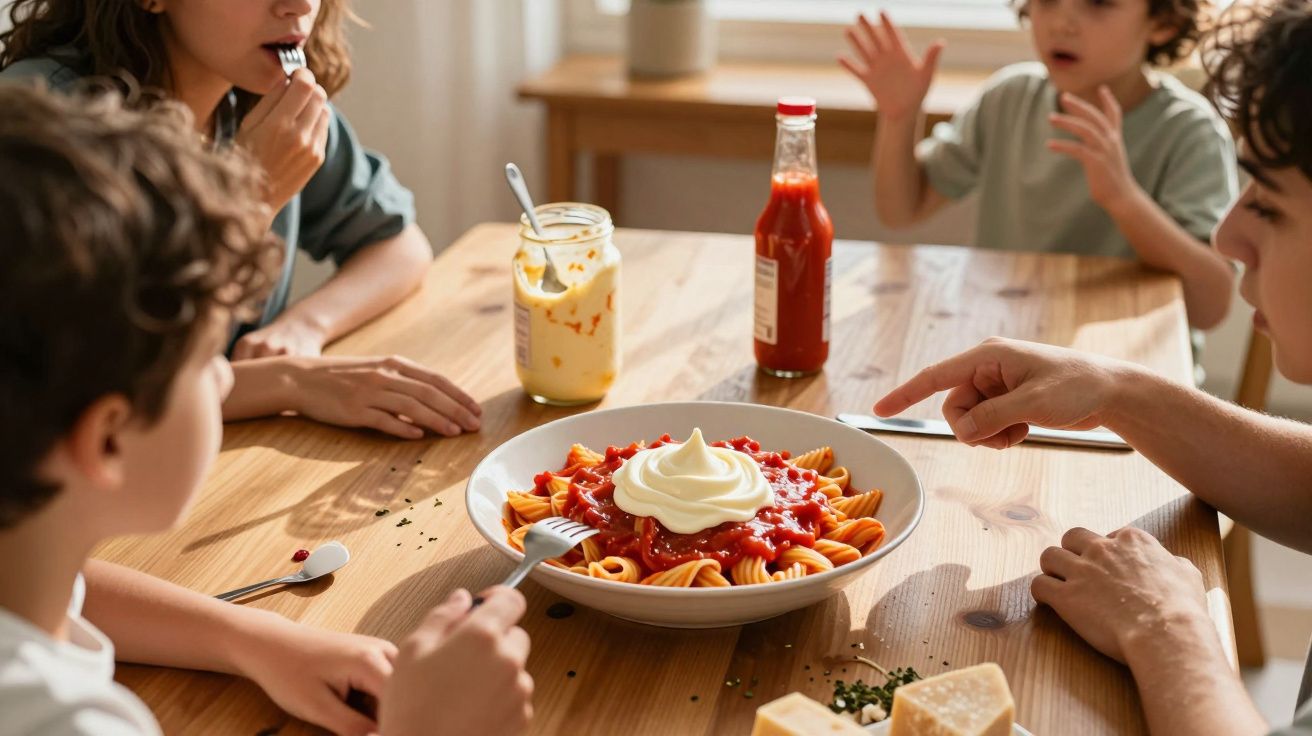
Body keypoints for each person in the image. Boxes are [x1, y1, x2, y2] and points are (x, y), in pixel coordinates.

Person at [0, 84, 533, 736]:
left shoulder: (24, 562)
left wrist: (250, 638)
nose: (229, 376)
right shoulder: (66, 721)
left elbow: (63, 581)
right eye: (205, 360)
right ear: (107, 439)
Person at [871, 3, 1312, 732]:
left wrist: (1169, 627)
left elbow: (1204, 293)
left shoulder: (1177, 127)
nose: (1231, 234)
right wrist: (1114, 389)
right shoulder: (1012, 99)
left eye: (1266, 202)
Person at [0, 0, 482, 440]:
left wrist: (305, 328)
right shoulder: (43, 125)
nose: (300, 5)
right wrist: (286, 381)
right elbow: (91, 398)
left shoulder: (258, 93)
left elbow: (399, 245)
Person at [840, 0, 1237, 329]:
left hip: (1130, 375)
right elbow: (901, 209)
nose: (1062, 23)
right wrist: (899, 117)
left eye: (1098, 3)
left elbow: (1211, 306)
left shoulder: (1189, 133)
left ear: (1163, 22)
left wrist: (1123, 198)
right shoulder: (1010, 98)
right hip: (1008, 342)